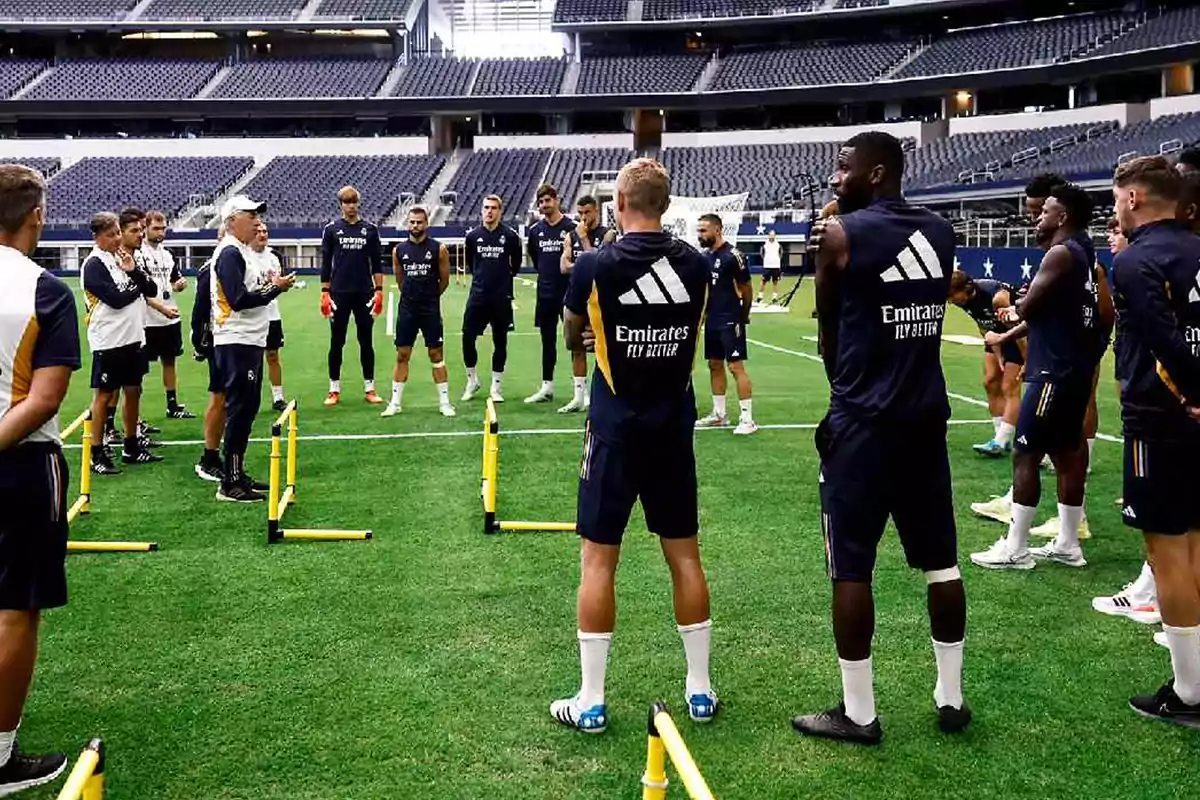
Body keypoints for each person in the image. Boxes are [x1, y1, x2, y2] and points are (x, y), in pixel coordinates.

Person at [793, 132, 968, 745]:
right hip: (925, 418)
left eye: (843, 168)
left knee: (851, 566)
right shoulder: (941, 232)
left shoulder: (839, 234)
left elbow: (827, 337)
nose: (834, 178)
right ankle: (951, 697)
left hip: (863, 422)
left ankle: (860, 713)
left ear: (874, 172)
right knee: (941, 563)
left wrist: (847, 388)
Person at [550, 158, 716, 732]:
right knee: (685, 555)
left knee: (599, 559)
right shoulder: (696, 265)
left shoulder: (595, 263)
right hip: (673, 423)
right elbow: (691, 326)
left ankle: (591, 701)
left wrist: (602, 331)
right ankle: (700, 691)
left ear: (620, 202)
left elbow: (572, 334)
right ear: (665, 206)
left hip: (616, 427)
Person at [1108, 155, 1200, 726]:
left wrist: (1194, 392)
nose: (1115, 208)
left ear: (1135, 199)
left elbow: (1164, 343)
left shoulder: (1137, 260)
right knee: (1194, 543)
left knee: (1166, 550)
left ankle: (1189, 691)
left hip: (1162, 419)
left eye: (1118, 199)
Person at [970, 182, 1101, 571]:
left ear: (1062, 217)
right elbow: (1045, 313)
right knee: (1068, 454)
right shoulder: (1084, 252)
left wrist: (1013, 312)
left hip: (1052, 373)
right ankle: (1067, 543)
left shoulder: (1060, 253)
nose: (1038, 217)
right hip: (1074, 369)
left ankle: (1016, 548)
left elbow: (1027, 307)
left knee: (1025, 453)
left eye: (1045, 211)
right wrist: (1010, 331)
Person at [0, 163, 78, 795]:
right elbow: (45, 400)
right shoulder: (45, 290)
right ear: (36, 217)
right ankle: (0, 755)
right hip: (21, 464)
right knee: (14, 609)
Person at [211, 196, 295, 502]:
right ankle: (229, 482)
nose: (256, 221)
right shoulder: (230, 252)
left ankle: (237, 474)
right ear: (233, 220)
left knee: (246, 411)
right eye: (250, 215)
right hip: (236, 340)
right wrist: (275, 289)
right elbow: (238, 299)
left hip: (248, 339)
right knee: (240, 411)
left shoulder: (242, 251)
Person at [82, 212, 162, 473]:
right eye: (111, 235)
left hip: (133, 337)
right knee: (104, 396)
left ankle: (131, 445)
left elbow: (151, 289)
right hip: (109, 340)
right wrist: (135, 283)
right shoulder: (94, 264)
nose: (117, 239)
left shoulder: (124, 258)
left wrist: (134, 273)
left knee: (133, 390)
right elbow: (115, 299)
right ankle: (96, 452)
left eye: (118, 232)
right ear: (98, 237)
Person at [383, 206, 455, 418]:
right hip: (407, 309)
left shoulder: (438, 249)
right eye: (412, 222)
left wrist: (430, 297)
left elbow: (444, 281)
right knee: (402, 354)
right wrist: (412, 296)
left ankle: (444, 402)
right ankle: (395, 403)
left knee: (436, 354)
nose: (415, 226)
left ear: (426, 224)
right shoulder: (398, 250)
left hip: (430, 309)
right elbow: (400, 280)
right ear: (408, 223)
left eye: (419, 222)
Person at [321, 185, 384, 407]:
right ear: (341, 205)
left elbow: (377, 262)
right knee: (337, 341)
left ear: (359, 203)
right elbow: (326, 263)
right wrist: (325, 293)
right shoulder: (331, 230)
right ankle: (333, 389)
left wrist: (379, 291)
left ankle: (369, 388)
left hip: (364, 293)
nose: (350, 206)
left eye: (353, 201)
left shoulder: (370, 230)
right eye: (346, 202)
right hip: (339, 293)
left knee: (366, 341)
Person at [695, 214, 756, 435]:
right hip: (712, 320)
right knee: (714, 364)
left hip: (731, 318)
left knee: (735, 366)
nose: (699, 235)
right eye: (698, 231)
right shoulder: (704, 258)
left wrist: (744, 314)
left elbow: (746, 289)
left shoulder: (734, 256)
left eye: (703, 231)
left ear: (718, 230)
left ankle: (747, 419)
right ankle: (719, 415)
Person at [461, 195, 522, 404]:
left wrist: (503, 282)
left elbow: (516, 264)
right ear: (481, 210)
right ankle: (472, 380)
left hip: (501, 297)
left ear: (500, 211)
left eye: (494, 208)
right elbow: (471, 263)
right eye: (486, 207)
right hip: (478, 295)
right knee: (467, 337)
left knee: (500, 341)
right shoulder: (472, 236)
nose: (489, 211)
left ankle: (496, 387)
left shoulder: (510, 236)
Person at [556, 195, 611, 413]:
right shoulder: (570, 235)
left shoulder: (608, 234)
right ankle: (579, 396)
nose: (583, 217)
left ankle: (601, 394)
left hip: (599, 299)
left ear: (596, 211)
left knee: (601, 346)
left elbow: (599, 265)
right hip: (576, 297)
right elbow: (563, 266)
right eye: (580, 213)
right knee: (576, 346)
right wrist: (581, 264)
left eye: (587, 212)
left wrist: (584, 243)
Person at [524, 184, 578, 407]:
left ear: (557, 200)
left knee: (574, 341)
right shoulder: (535, 231)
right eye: (541, 201)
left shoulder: (572, 228)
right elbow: (536, 260)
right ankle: (547, 387)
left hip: (569, 293)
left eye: (548, 200)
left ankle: (579, 391)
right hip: (545, 294)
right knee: (547, 341)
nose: (545, 205)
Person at [140, 209, 193, 420]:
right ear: (145, 228)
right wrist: (161, 307)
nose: (161, 232)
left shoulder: (167, 254)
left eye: (163, 228)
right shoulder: (139, 253)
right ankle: (137, 416)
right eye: (156, 228)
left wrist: (179, 285)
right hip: (146, 319)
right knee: (139, 369)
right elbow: (141, 290)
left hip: (169, 316)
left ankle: (172, 404)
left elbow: (174, 281)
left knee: (170, 360)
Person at [191, 227, 227, 484]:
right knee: (220, 397)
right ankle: (209, 458)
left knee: (227, 399)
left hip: (237, 342)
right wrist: (202, 344)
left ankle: (220, 456)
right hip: (220, 342)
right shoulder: (212, 268)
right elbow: (200, 312)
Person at [249, 221, 288, 412]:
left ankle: (278, 397)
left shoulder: (274, 257)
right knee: (251, 358)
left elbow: (278, 285)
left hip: (272, 315)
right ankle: (250, 397)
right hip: (251, 315)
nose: (263, 234)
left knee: (273, 355)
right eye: (258, 231)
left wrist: (282, 285)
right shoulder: (245, 257)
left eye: (265, 231)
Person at [757, 229, 783, 305]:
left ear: (775, 236)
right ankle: (760, 297)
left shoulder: (778, 244)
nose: (772, 236)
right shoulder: (765, 244)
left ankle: (774, 297)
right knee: (763, 282)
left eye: (773, 235)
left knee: (775, 282)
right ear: (769, 236)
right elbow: (761, 253)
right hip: (767, 266)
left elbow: (781, 253)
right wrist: (766, 259)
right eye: (770, 235)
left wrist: (777, 260)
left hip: (776, 266)